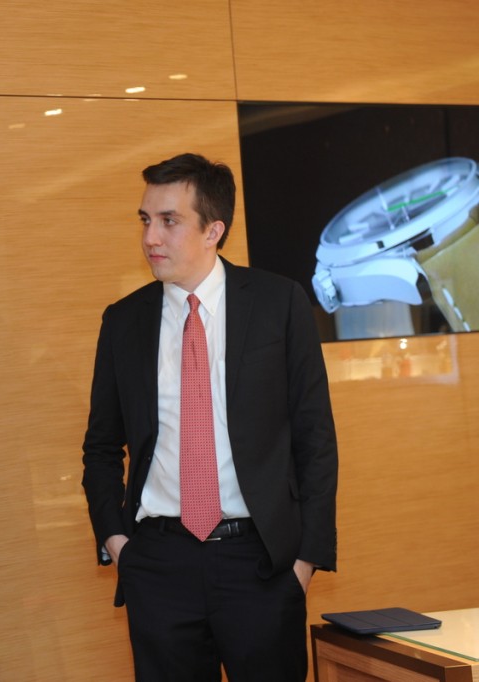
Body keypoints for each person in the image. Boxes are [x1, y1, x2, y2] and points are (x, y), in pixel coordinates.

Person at [81, 153, 338, 681]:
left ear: (213, 230)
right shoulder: (123, 321)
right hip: (159, 564)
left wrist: (304, 563)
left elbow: (315, 439)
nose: (151, 237)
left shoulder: (279, 304)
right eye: (145, 220)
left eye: (169, 221)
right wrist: (119, 545)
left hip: (262, 565)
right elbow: (102, 447)